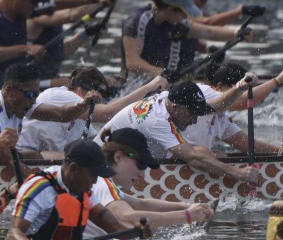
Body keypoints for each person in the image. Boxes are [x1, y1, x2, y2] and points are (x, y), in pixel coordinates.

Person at [5, 140, 154, 240]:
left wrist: (138, 232)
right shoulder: (39, 188)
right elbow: (13, 234)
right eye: (93, 175)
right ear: (74, 168)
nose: (95, 182)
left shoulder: (83, 190)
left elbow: (115, 228)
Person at [83, 128, 216, 240]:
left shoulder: (103, 182)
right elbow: (127, 217)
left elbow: (141, 203)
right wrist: (188, 215)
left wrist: (187, 206)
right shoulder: (101, 183)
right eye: (141, 165)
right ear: (118, 157)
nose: (143, 175)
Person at [99, 80, 261, 187]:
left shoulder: (169, 99)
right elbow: (193, 158)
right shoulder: (156, 120)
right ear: (176, 108)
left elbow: (218, 105)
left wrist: (241, 86)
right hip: (103, 166)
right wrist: (238, 173)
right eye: (192, 114)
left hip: (129, 155)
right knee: (202, 155)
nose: (195, 120)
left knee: (209, 154)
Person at [18, 68, 168, 157]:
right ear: (83, 89)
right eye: (102, 93)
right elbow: (107, 114)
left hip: (42, 158)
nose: (102, 101)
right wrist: (149, 87)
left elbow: (101, 139)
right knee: (73, 158)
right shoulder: (59, 95)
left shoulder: (81, 115)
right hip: (23, 155)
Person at [121, 0, 253, 82]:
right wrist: (163, 73)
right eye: (184, 12)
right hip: (134, 86)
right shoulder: (138, 21)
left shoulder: (174, 21)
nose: (186, 17)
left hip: (162, 83)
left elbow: (208, 32)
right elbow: (132, 62)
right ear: (171, 9)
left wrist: (237, 33)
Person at [26, 0, 122, 79]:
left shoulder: (54, 13)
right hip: (27, 82)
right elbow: (71, 15)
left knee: (111, 81)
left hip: (46, 77)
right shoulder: (34, 9)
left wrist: (85, 35)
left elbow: (59, 53)